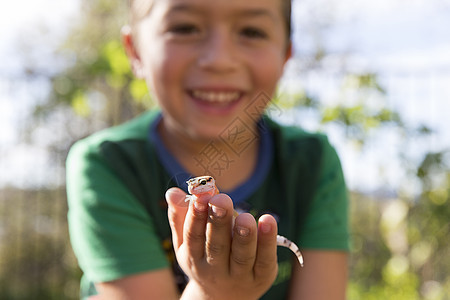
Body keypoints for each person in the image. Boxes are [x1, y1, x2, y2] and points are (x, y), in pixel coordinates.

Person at [66, 0, 350, 299]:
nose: (218, 60)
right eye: (184, 28)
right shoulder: (108, 164)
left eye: (252, 31)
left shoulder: (313, 162)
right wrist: (212, 291)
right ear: (135, 50)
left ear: (286, 55)